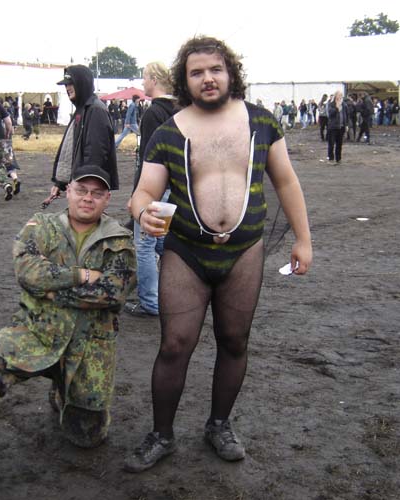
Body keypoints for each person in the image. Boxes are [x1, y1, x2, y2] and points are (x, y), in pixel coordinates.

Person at [124, 36, 312, 472]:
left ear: (230, 73)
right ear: (184, 80)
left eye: (215, 69)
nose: (207, 78)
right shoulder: (170, 132)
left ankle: (219, 425)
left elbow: (286, 181)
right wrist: (142, 211)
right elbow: (144, 191)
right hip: (186, 253)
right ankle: (161, 435)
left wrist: (303, 239)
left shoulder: (261, 123)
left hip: (244, 252)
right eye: (196, 72)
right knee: (175, 345)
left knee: (234, 340)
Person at [0, 165, 136, 500]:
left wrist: (50, 290)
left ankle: (63, 390)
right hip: (36, 330)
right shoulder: (41, 225)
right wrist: (82, 276)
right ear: (68, 191)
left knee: (87, 437)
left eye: (97, 193)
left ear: (107, 199)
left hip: (90, 341)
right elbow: (28, 273)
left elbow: (113, 294)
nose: (88, 198)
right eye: (81, 190)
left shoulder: (118, 239)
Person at [124, 61, 177, 317]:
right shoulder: (180, 111)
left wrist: (136, 196)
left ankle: (150, 302)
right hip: (172, 189)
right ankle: (176, 289)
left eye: (144, 77)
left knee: (144, 245)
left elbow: (147, 160)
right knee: (162, 242)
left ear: (154, 79)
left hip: (154, 191)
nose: (143, 82)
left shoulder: (153, 113)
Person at [48, 65, 118, 205]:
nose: (67, 88)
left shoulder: (95, 110)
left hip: (88, 190)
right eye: (66, 85)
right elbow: (71, 149)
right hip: (81, 186)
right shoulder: (83, 109)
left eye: (70, 83)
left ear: (82, 83)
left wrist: (86, 188)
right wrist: (60, 183)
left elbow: (95, 153)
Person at [326, 90, 348, 164]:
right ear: (335, 96)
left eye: (341, 95)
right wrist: (337, 108)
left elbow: (346, 115)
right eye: (339, 95)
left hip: (341, 127)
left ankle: (338, 159)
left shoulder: (344, 105)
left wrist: (346, 125)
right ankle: (331, 159)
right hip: (332, 127)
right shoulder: (331, 104)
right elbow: (330, 114)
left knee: (339, 144)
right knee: (331, 144)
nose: (340, 97)